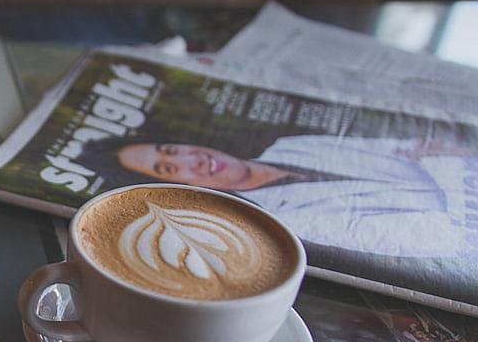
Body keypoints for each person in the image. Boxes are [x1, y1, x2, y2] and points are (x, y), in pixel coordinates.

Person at [94, 134, 478, 258]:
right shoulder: (279, 225)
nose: (193, 160)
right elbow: (420, 243)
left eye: (171, 149)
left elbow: (411, 144)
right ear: (180, 189)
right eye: (168, 169)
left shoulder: (292, 145)